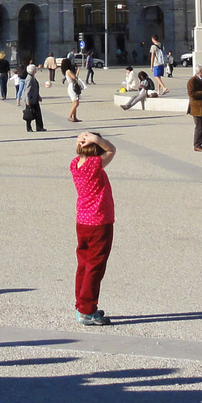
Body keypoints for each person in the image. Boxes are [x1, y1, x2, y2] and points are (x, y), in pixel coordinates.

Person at [71, 131, 116, 327]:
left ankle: (81, 304)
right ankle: (87, 310)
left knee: (84, 264)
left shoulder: (75, 164)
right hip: (99, 222)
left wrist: (82, 142)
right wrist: (98, 140)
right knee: (95, 267)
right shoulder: (94, 165)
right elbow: (112, 149)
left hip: (83, 222)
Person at [21, 66, 46, 132]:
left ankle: (39, 127)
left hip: (34, 98)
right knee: (29, 113)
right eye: (35, 69)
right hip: (31, 99)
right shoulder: (29, 78)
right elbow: (27, 90)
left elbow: (35, 89)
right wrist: (27, 101)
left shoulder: (32, 77)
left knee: (38, 113)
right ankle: (29, 128)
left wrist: (38, 96)